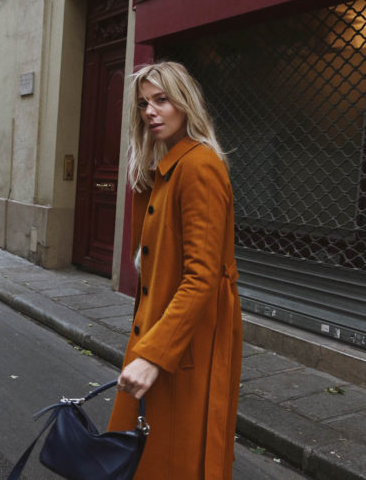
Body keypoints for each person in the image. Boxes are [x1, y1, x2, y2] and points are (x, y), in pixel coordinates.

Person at [108, 61, 243, 479]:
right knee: (151, 453)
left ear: (185, 103)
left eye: (161, 100)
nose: (150, 111)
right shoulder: (167, 168)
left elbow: (202, 276)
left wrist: (153, 355)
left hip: (185, 343)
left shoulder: (199, 166)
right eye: (143, 104)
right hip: (168, 335)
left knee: (176, 456)